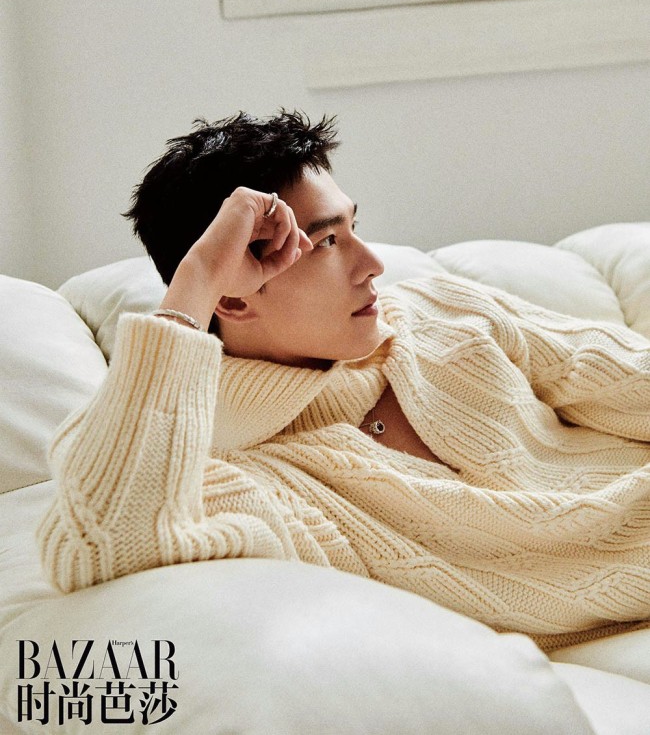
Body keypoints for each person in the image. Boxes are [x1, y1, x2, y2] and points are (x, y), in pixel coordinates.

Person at [37, 109, 650, 652]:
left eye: (353, 227)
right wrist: (196, 280)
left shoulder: (441, 313)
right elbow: (102, 546)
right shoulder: (226, 465)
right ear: (235, 295)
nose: (372, 264)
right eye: (328, 241)